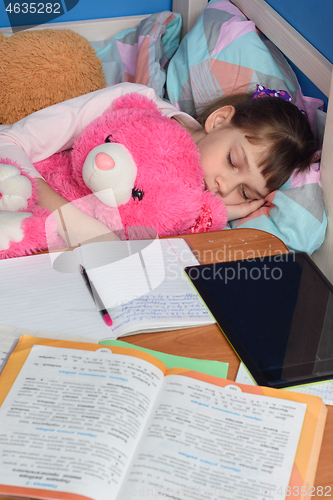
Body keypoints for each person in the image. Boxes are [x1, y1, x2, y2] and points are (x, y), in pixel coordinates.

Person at [0, 82, 318, 246]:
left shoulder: (195, 205)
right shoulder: (135, 107)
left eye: (246, 193)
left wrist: (218, 212)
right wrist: (77, 228)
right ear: (220, 120)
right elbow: (9, 142)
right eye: (233, 161)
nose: (225, 186)